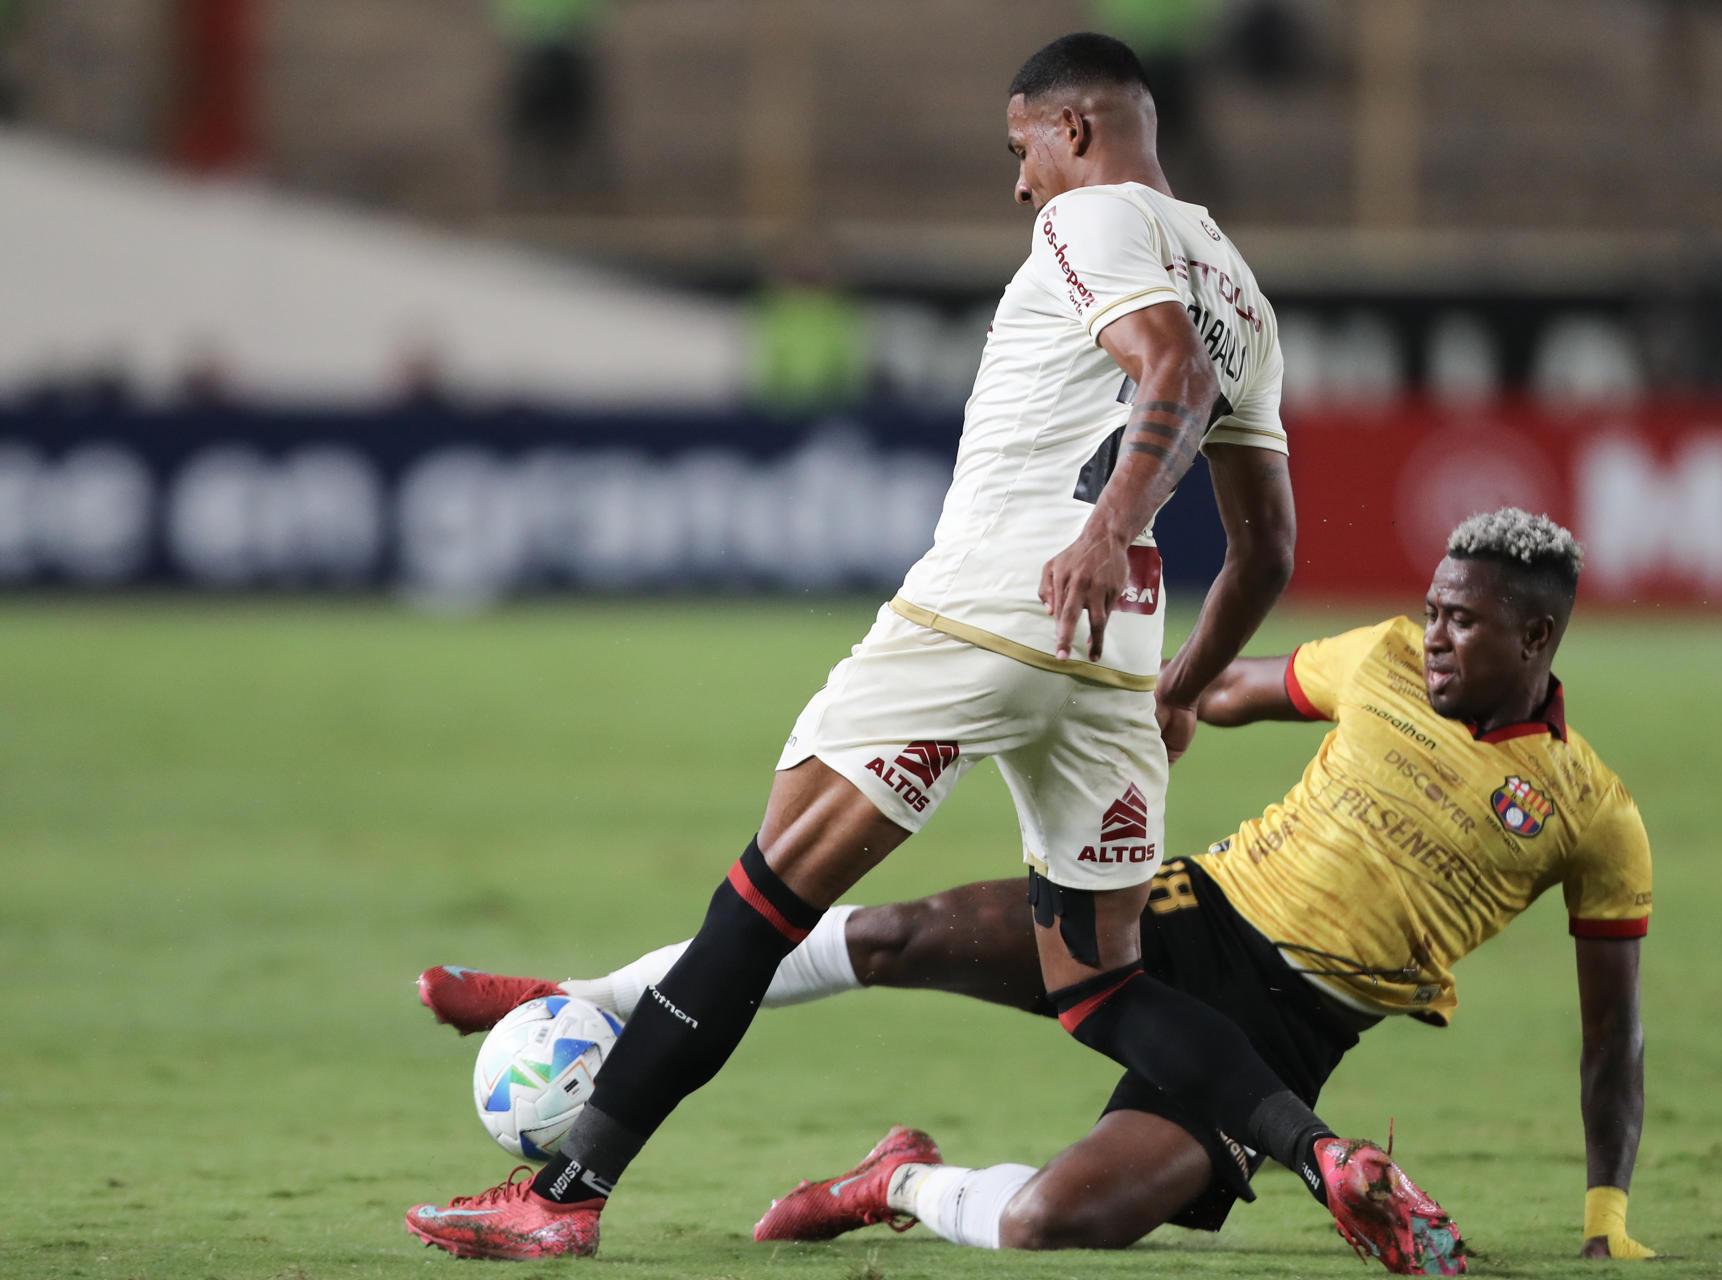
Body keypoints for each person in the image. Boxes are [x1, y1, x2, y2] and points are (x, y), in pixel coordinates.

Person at [404, 31, 1462, 1276]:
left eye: (1023, 147)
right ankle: (1325, 1155)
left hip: (994, 599)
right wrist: (1176, 685)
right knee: (1101, 986)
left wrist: (1104, 527)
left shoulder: (1091, 217)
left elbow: (1164, 371)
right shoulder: (1241, 289)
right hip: (1114, 649)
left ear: (1075, 129)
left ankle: (565, 1194)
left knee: (762, 902)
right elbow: (1267, 549)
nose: (1020, 182)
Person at [423, 510, 1653, 1266]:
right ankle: (576, 996)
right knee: (893, 931)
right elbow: (1236, 685)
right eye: (1434, 611)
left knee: (1052, 1223)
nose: (1434, 636)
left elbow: (1614, 1039)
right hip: (1191, 911)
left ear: (1537, 640)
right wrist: (1169, 700)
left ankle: (893, 1179)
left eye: (1463, 623)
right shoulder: (1377, 657)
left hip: (1296, 1027)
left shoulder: (1594, 814)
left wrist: (1604, 1212)